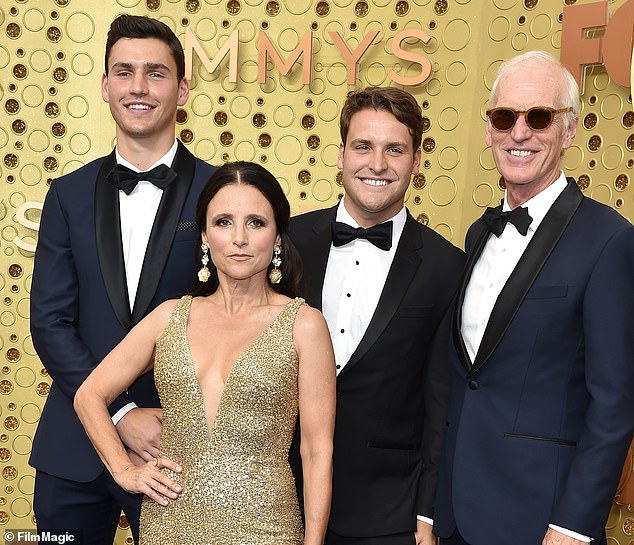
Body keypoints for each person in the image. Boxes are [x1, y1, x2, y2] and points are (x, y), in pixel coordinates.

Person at [74, 161, 336, 545]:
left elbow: (317, 450)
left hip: (265, 529)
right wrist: (123, 470)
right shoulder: (169, 316)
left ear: (278, 237)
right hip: (169, 523)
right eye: (224, 222)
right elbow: (89, 396)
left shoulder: (304, 324)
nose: (239, 239)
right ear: (204, 236)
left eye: (256, 223)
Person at [433, 50, 634, 545]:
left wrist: (572, 527)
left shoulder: (609, 240)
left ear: (568, 131)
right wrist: (434, 510)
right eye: (505, 117)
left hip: (542, 524)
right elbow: (464, 386)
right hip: (458, 518)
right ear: (488, 130)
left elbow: (615, 405)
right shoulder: (479, 233)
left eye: (539, 116)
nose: (519, 132)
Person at [29, 14, 215, 544]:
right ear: (106, 86)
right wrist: (121, 411)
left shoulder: (220, 195)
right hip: (73, 451)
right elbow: (50, 322)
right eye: (125, 72)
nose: (139, 86)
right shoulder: (66, 194)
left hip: (178, 452)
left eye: (156, 73)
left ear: (181, 90)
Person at [290, 87, 465, 545]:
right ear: (340, 154)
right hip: (281, 496)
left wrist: (427, 513)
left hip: (389, 511)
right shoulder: (287, 242)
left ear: (417, 162)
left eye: (395, 149)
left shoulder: (446, 267)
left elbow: (441, 405)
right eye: (363, 146)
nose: (377, 164)